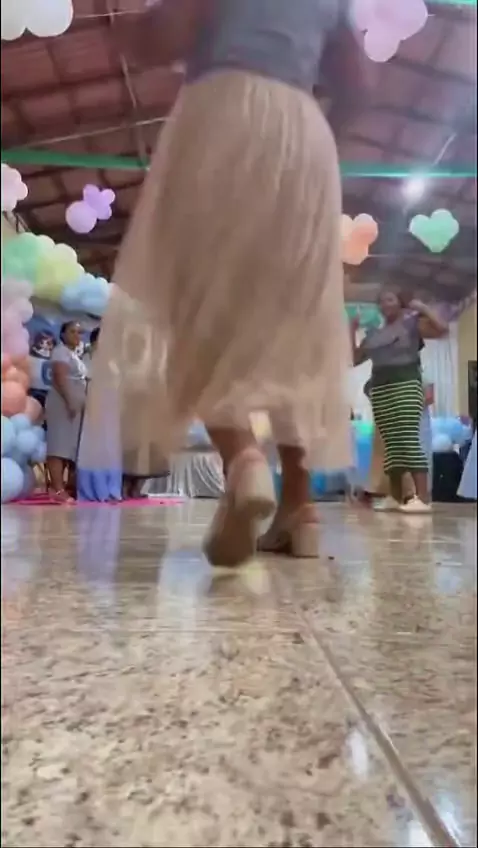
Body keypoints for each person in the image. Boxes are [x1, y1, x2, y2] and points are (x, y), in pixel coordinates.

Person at [85, 0, 372, 565]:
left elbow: (168, 33)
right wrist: (318, 129)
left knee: (197, 304)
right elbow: (359, 85)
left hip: (224, 115)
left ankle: (243, 461)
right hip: (304, 135)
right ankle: (299, 508)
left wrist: (125, 31)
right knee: (291, 325)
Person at [350, 290, 447, 514]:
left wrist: (423, 308)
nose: (385, 303)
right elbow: (354, 359)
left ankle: (422, 498)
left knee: (407, 438)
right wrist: (351, 330)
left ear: (400, 303)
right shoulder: (374, 334)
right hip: (380, 388)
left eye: (390, 299)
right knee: (391, 443)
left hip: (406, 384)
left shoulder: (411, 324)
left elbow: (442, 329)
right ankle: (394, 496)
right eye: (381, 300)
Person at [45, 322, 87, 503]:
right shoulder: (60, 352)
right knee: (58, 444)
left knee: (68, 446)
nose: (77, 335)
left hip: (74, 404)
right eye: (72, 331)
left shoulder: (74, 355)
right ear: (62, 334)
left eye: (79, 332)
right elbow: (59, 378)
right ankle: (57, 488)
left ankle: (64, 487)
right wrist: (70, 401)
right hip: (62, 402)